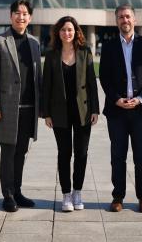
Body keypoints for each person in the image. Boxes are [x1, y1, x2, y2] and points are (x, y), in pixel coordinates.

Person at [98, 4, 142, 213]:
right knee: (118, 156)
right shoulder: (108, 46)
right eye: (121, 17)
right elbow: (104, 77)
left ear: (134, 19)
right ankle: (118, 197)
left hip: (141, 110)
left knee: (141, 155)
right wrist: (116, 99)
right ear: (116, 21)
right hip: (117, 111)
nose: (125, 20)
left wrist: (141, 98)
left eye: (128, 16)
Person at [0, 0, 42, 212]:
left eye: (25, 13)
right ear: (11, 16)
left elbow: (38, 77)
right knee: (8, 153)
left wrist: (43, 109)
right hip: (8, 109)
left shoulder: (35, 43)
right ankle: (7, 194)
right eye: (17, 13)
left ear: (30, 17)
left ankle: (17, 191)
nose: (21, 17)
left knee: (21, 152)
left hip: (29, 109)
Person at [40, 16, 100, 212]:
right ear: (58, 32)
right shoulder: (51, 55)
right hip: (59, 113)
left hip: (83, 112)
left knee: (81, 154)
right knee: (64, 153)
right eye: (64, 29)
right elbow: (46, 86)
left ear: (76, 32)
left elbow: (92, 83)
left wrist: (95, 109)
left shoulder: (85, 52)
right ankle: (66, 194)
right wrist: (46, 113)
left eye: (71, 30)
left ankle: (77, 192)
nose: (67, 33)